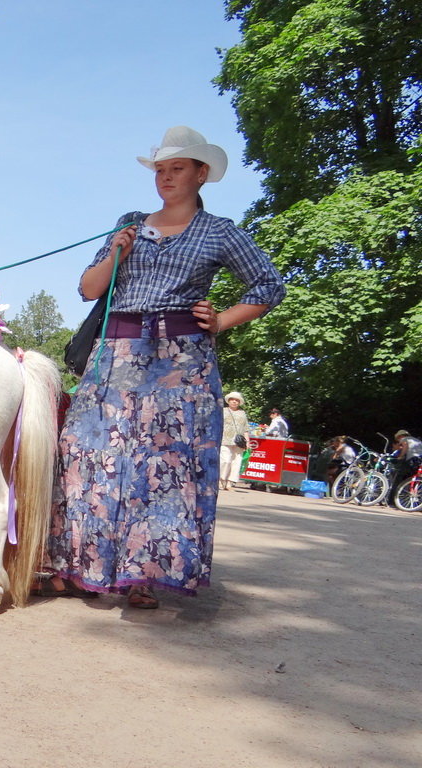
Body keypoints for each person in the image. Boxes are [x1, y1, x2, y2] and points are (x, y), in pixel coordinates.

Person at [46, 126, 285, 608]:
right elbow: (89, 289)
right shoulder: (129, 223)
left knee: (164, 466)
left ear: (201, 174)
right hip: (115, 354)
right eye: (160, 169)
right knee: (84, 452)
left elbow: (268, 286)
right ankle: (79, 566)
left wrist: (222, 320)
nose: (166, 177)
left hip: (181, 362)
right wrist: (118, 251)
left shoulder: (220, 231)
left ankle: (143, 575)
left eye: (177, 168)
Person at [220, 391, 251, 491]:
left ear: (239, 402)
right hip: (225, 439)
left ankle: (229, 483)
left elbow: (246, 428)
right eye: (232, 400)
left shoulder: (242, 413)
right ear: (228, 401)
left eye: (236, 400)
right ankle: (221, 481)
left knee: (236, 462)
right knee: (225, 460)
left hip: (239, 441)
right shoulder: (223, 411)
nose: (234, 402)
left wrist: (247, 441)